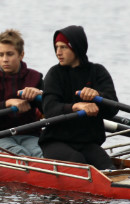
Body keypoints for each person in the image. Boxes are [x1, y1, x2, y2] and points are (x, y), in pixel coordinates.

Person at [39, 25, 119, 170]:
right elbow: (50, 110)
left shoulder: (98, 72)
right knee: (78, 162)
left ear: (76, 47)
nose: (58, 52)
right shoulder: (54, 74)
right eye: (56, 47)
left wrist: (98, 96)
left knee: (108, 168)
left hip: (87, 143)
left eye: (63, 47)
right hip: (55, 141)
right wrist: (75, 107)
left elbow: (113, 108)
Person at [0, 29, 44, 157]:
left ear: (21, 55)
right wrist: (6, 104)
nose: (5, 59)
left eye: (10, 54)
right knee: (19, 154)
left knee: (40, 154)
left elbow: (50, 110)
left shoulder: (35, 77)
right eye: (1, 54)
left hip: (30, 135)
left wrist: (41, 95)